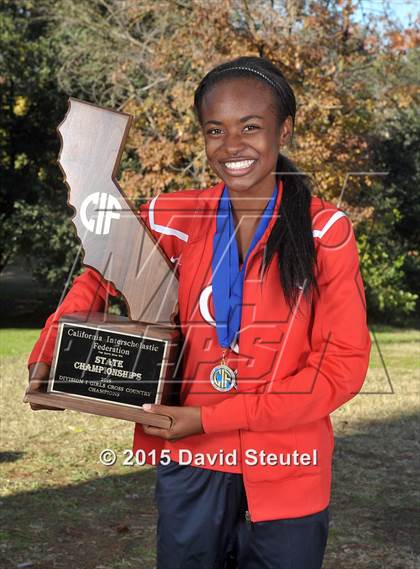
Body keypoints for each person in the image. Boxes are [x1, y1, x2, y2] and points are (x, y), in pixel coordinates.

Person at [27, 56, 372, 569]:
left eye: (250, 127)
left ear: (285, 129)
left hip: (287, 466)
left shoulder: (326, 230)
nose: (232, 146)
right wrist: (50, 356)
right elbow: (100, 270)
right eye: (216, 130)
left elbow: (341, 367)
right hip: (190, 460)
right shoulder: (176, 215)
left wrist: (211, 416)